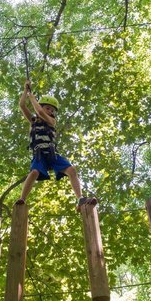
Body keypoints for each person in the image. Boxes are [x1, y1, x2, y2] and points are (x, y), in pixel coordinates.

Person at [15, 80, 97, 210]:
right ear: (41, 106)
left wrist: (32, 97)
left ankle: (80, 199)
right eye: (48, 107)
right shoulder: (33, 121)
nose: (50, 111)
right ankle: (22, 199)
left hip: (52, 154)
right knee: (34, 172)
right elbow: (22, 105)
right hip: (39, 155)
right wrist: (26, 90)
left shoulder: (52, 121)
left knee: (71, 170)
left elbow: (40, 112)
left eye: (52, 110)